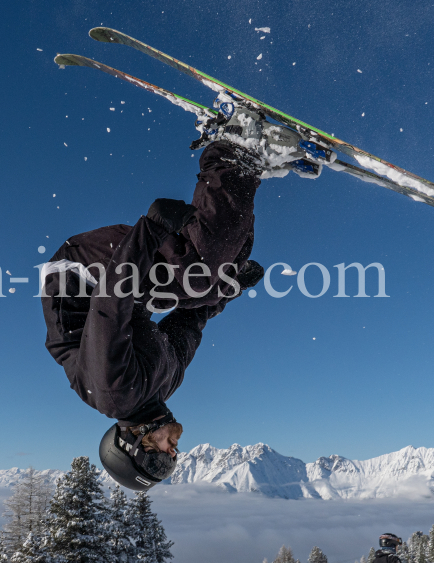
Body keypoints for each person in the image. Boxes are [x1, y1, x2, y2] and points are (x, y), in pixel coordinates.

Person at [40, 101, 330, 490]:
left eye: (158, 462)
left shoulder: (115, 393)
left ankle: (233, 146)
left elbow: (111, 304)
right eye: (170, 467)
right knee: (217, 276)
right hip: (120, 291)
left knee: (198, 271)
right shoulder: (163, 384)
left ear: (133, 443)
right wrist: (233, 289)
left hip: (78, 275)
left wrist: (150, 230)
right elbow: (191, 321)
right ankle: (249, 167)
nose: (173, 455)